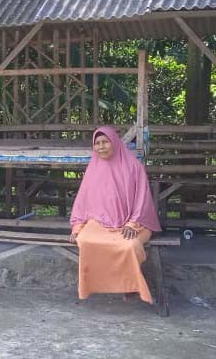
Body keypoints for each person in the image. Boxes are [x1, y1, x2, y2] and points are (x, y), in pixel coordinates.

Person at [69, 126, 161, 304]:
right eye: (97, 143)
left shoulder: (134, 166)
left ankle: (130, 286)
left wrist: (132, 224)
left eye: (105, 142)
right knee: (85, 241)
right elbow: (83, 201)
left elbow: (143, 199)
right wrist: (78, 227)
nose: (101, 147)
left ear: (115, 143)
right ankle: (106, 286)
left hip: (133, 223)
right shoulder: (93, 168)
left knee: (129, 246)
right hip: (100, 223)